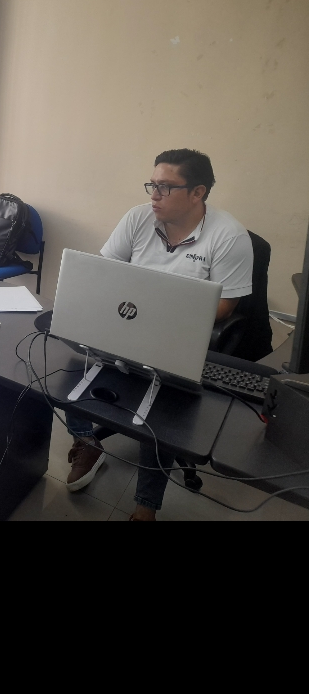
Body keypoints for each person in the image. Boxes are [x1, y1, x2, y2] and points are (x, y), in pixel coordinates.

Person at [65, 149, 254, 521]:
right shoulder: (138, 218)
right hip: (126, 321)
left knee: (161, 405)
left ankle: (145, 507)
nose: (154, 195)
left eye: (165, 187)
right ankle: (87, 442)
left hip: (179, 338)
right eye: (152, 184)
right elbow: (105, 272)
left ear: (198, 192)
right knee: (70, 361)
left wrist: (161, 313)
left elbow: (225, 307)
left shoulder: (229, 236)